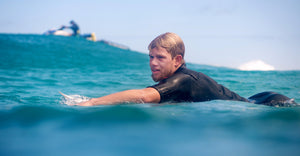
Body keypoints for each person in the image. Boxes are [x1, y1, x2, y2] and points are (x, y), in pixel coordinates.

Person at [76, 32, 296, 106]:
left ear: (177, 59)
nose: (153, 62)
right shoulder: (175, 82)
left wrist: (92, 102)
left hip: (268, 103)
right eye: (151, 57)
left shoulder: (183, 80)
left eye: (160, 58)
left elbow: (144, 96)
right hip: (257, 99)